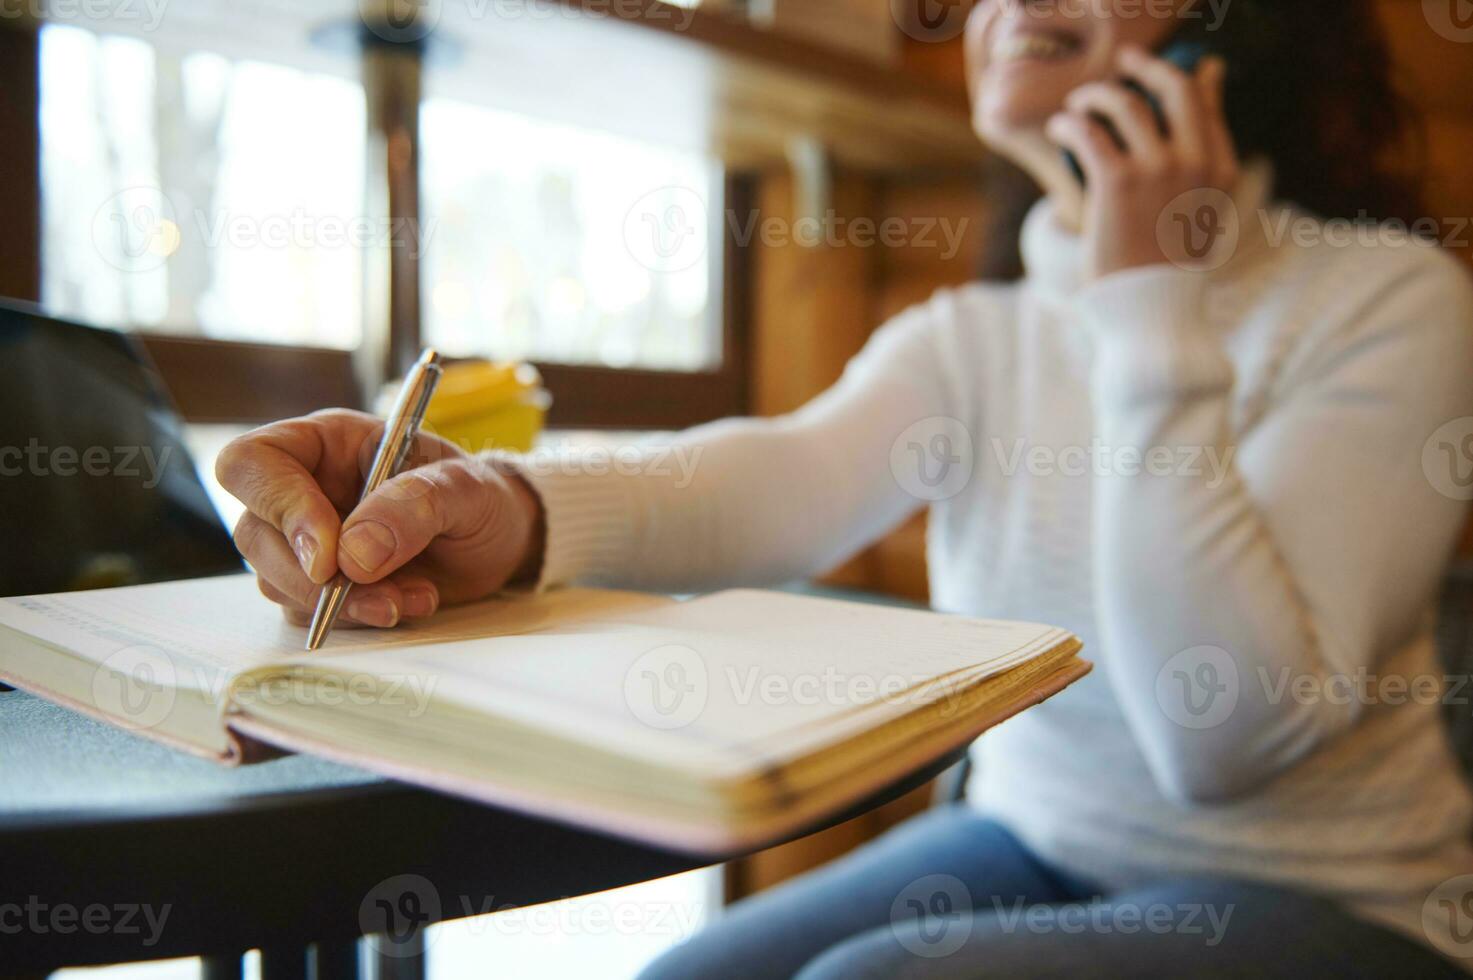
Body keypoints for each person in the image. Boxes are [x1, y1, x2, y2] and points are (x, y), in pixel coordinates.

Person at [216, 1, 1473, 975]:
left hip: (1342, 898)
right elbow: (768, 482)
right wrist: (496, 503)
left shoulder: (1393, 301)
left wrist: (1149, 306)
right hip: (1040, 841)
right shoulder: (977, 335)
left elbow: (1224, 737)